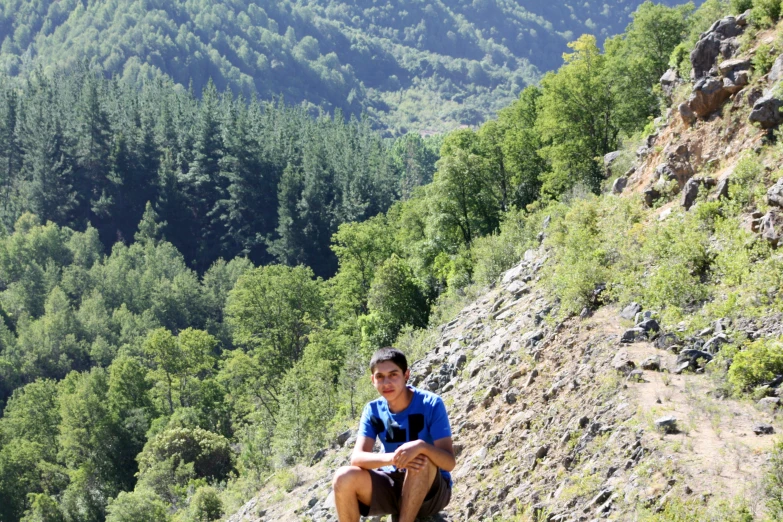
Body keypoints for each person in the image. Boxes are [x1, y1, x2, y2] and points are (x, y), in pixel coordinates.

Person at [332, 347, 456, 522]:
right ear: (372, 380)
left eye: (393, 374)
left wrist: (421, 447)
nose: (386, 383)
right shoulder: (373, 410)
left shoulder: (431, 404)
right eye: (380, 377)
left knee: (421, 459)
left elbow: (449, 462)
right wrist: (396, 458)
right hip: (391, 482)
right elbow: (357, 458)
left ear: (406, 375)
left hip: (431, 490)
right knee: (343, 477)